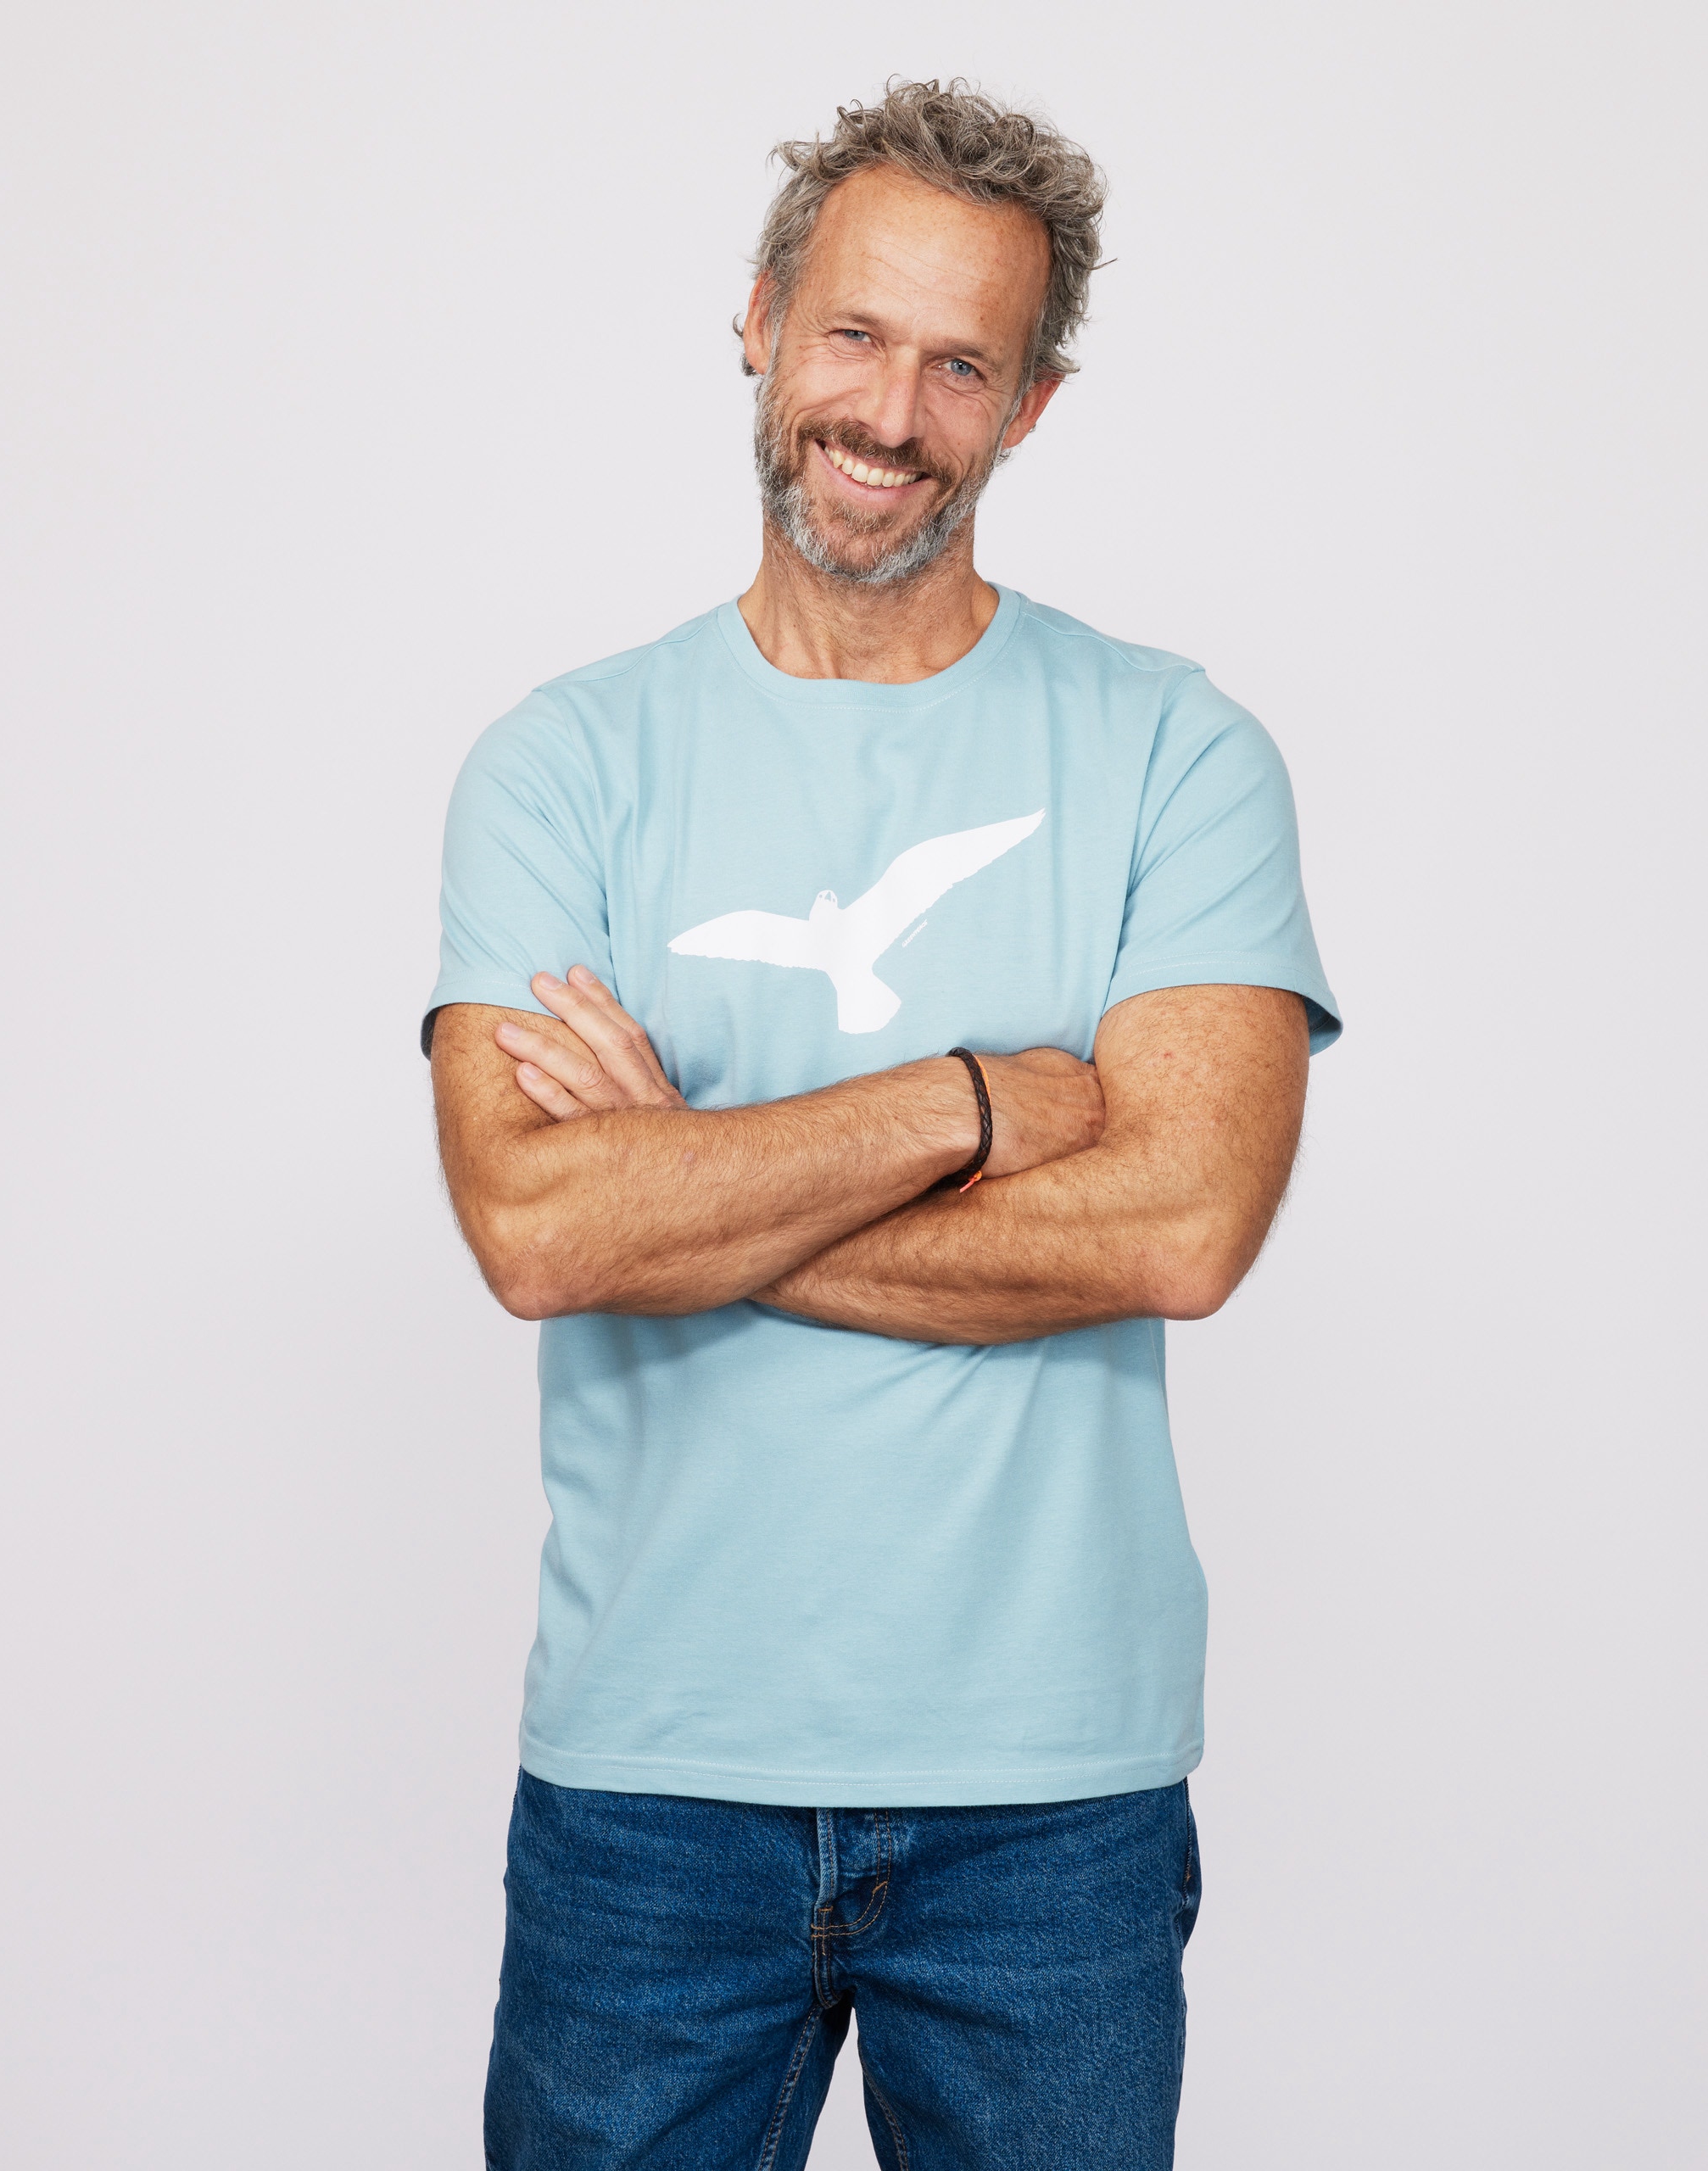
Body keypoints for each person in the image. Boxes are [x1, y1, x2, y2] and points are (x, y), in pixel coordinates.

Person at [425, 77, 1341, 2171]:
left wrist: (689, 1181)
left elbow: (1175, 1229)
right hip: (653, 1772)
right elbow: (537, 1232)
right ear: (759, 322)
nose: (890, 412)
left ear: (1029, 406)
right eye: (852, 333)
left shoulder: (1173, 751)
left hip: (1051, 1791)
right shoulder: (562, 764)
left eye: (959, 364)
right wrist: (968, 1103)